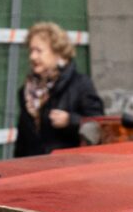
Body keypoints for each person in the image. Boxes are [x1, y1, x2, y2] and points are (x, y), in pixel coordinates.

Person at [13, 22, 105, 157]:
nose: (32, 57)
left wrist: (71, 121)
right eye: (31, 50)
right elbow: (22, 142)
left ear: (57, 52)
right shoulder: (26, 92)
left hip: (71, 164)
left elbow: (99, 125)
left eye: (39, 51)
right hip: (35, 166)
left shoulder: (80, 84)